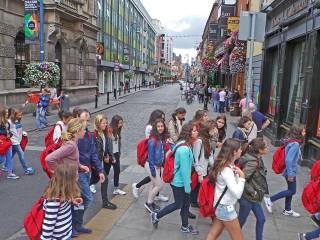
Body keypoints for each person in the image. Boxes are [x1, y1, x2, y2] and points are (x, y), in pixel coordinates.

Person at [151, 123, 199, 235]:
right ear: (189, 133)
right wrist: (188, 187)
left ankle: (185, 226)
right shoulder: (184, 149)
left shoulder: (184, 144)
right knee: (179, 204)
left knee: (186, 205)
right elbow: (185, 170)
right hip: (179, 182)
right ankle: (156, 215)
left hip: (181, 181)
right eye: (195, 130)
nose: (197, 132)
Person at [73, 109, 105, 236]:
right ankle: (73, 224)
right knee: (88, 198)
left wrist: (100, 170)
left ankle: (77, 224)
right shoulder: (73, 136)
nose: (86, 123)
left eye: (87, 120)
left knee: (80, 199)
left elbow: (93, 154)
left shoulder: (89, 135)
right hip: (77, 173)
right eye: (83, 120)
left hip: (87, 172)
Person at [206, 139, 245, 240]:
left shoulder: (227, 166)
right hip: (226, 208)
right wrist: (242, 177)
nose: (241, 151)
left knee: (213, 234)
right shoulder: (227, 170)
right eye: (240, 149)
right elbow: (237, 194)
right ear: (234, 152)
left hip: (221, 206)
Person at [264, 125, 306, 217]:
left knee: (290, 190)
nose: (304, 133)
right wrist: (291, 174)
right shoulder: (295, 144)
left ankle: (287, 209)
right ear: (298, 132)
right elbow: (289, 160)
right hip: (290, 171)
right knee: (292, 191)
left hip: (288, 170)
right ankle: (270, 199)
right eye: (303, 131)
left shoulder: (290, 141)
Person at [132, 110, 168, 201]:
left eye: (163, 119)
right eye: (161, 118)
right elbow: (150, 142)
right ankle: (138, 187)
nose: (163, 120)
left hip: (158, 158)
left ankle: (154, 197)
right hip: (152, 157)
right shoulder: (150, 129)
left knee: (154, 181)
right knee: (156, 181)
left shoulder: (160, 133)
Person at [41, 163, 82, 240]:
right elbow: (49, 225)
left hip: (66, 233)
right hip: (59, 237)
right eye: (76, 176)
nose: (78, 177)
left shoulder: (65, 193)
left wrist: (73, 201)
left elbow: (64, 205)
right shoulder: (53, 202)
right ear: (68, 181)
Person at [238, 138, 269, 240]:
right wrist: (253, 192)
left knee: (261, 219)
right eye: (266, 147)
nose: (268, 148)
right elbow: (243, 178)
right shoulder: (252, 162)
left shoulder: (257, 158)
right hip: (248, 197)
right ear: (260, 150)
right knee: (240, 222)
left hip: (254, 197)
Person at [91, 114, 117, 210]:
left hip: (99, 162)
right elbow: (93, 151)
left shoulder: (104, 133)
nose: (105, 125)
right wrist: (96, 165)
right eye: (103, 123)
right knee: (104, 180)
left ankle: (77, 194)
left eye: (106, 123)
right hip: (95, 164)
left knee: (92, 180)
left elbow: (104, 147)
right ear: (98, 123)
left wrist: (107, 155)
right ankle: (105, 202)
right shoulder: (94, 135)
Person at [144, 118, 169, 213]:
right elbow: (150, 158)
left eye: (162, 126)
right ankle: (148, 203)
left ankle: (151, 201)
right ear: (155, 127)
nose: (160, 128)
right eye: (158, 126)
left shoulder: (161, 138)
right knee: (159, 185)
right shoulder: (152, 140)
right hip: (151, 165)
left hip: (157, 165)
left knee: (153, 184)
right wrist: (153, 171)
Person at [191, 122, 214, 207]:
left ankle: (198, 201)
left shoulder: (207, 139)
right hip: (200, 169)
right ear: (207, 130)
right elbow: (195, 158)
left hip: (205, 168)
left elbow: (209, 155)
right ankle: (194, 201)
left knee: (200, 186)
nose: (214, 130)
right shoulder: (199, 141)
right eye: (212, 129)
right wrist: (199, 172)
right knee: (197, 186)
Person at [7, 108, 34, 175]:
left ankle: (6, 166)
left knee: (11, 155)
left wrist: (22, 133)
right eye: (19, 115)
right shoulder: (9, 122)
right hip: (14, 141)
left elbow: (18, 130)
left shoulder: (17, 121)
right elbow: (7, 131)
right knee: (21, 155)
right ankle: (26, 169)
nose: (20, 116)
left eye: (21, 115)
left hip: (17, 140)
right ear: (14, 115)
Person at [106, 115, 126, 195]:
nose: (121, 125)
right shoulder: (109, 130)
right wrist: (110, 156)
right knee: (105, 172)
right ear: (115, 123)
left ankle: (116, 188)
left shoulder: (117, 130)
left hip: (116, 153)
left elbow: (118, 142)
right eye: (119, 123)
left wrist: (119, 152)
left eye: (121, 123)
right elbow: (108, 144)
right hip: (111, 154)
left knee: (117, 171)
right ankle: (93, 183)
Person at [0, 107, 19, 179]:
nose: (8, 113)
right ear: (3, 114)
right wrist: (6, 133)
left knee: (9, 157)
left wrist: (9, 134)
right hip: (2, 142)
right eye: (7, 112)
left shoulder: (7, 122)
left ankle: (10, 173)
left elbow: (9, 131)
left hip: (7, 142)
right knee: (2, 159)